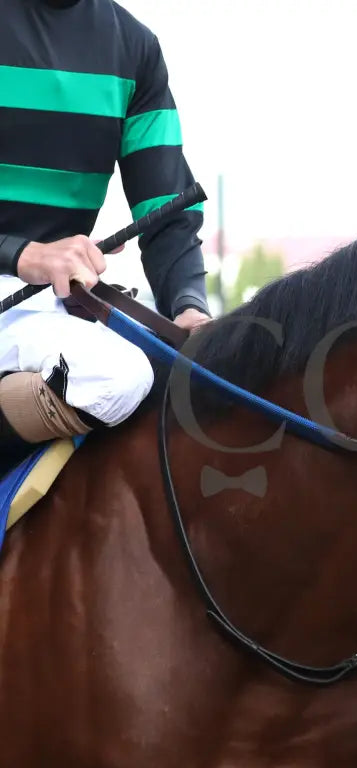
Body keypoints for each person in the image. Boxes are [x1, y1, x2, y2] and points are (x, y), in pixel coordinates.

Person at [0, 0, 210, 449]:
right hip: (22, 293)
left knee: (167, 379)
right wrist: (23, 254)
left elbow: (166, 211)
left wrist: (189, 306)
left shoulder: (135, 48)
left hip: (45, 308)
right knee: (119, 377)